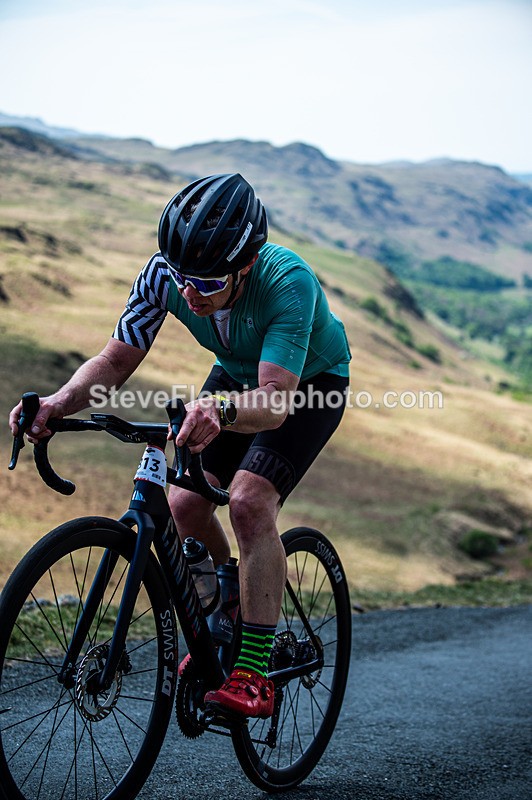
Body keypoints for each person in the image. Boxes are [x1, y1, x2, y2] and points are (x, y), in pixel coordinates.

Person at [9, 173, 351, 719]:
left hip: (307, 384)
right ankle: (230, 591)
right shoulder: (164, 273)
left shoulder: (288, 281)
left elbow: (275, 403)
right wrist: (59, 402)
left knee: (247, 501)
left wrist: (218, 410)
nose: (189, 295)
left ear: (245, 266)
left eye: (208, 284)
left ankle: (255, 671)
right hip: (236, 375)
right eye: (182, 279)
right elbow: (116, 358)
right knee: (183, 505)